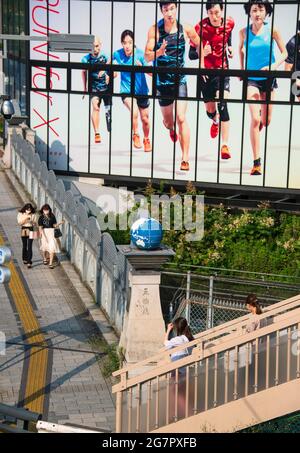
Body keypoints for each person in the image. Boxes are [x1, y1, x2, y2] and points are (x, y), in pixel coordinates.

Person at [145, 1, 203, 171]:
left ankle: (185, 159)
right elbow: (147, 57)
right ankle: (170, 128)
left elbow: (199, 43)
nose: (169, 13)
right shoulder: (155, 30)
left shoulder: (186, 28)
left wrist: (203, 63)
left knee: (182, 118)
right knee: (169, 121)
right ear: (161, 11)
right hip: (162, 82)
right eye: (165, 10)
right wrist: (159, 52)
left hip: (180, 79)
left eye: (172, 9)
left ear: (176, 9)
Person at [239, 0, 287, 176]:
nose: (257, 13)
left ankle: (258, 125)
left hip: (269, 79)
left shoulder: (273, 30)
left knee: (266, 121)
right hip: (251, 79)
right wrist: (242, 70)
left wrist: (273, 66)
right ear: (249, 13)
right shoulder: (243, 32)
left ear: (266, 12)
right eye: (254, 10)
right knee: (255, 119)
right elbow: (240, 51)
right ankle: (256, 162)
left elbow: (285, 53)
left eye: (260, 10)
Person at [189, 0, 235, 160]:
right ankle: (215, 121)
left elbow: (228, 35)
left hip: (222, 72)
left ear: (222, 11)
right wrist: (203, 52)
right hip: (205, 74)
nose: (214, 16)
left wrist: (229, 47)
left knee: (222, 104)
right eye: (211, 13)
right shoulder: (199, 28)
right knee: (210, 111)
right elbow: (191, 55)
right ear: (206, 13)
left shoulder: (230, 22)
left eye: (217, 12)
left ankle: (225, 145)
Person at [113, 30, 152, 152]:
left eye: (130, 42)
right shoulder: (118, 54)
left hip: (142, 91)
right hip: (126, 91)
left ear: (133, 42)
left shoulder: (141, 54)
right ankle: (135, 135)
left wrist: (142, 67)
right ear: (121, 43)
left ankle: (146, 139)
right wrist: (108, 72)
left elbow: (152, 73)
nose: (127, 46)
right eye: (125, 43)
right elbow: (109, 65)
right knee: (134, 110)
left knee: (145, 119)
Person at [82, 36, 112, 144]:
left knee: (108, 111)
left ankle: (109, 121)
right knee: (95, 107)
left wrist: (108, 73)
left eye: (97, 46)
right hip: (94, 88)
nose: (95, 49)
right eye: (92, 46)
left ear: (100, 45)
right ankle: (97, 133)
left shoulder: (106, 56)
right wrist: (85, 88)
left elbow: (114, 70)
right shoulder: (86, 59)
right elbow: (83, 72)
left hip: (106, 88)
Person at [164, 317, 194, 419]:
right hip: (184, 370)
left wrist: (168, 330)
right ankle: (179, 414)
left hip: (177, 370)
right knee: (180, 394)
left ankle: (187, 414)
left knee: (177, 395)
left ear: (177, 328)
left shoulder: (178, 339)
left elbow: (166, 345)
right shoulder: (189, 338)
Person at [38, 204, 64, 269]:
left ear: (49, 210)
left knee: (52, 248)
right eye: (44, 210)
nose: (46, 211)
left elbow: (54, 225)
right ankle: (44, 258)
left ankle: (50, 263)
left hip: (51, 233)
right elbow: (40, 227)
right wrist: (42, 235)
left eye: (47, 210)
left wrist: (60, 223)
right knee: (44, 248)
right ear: (42, 210)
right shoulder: (41, 217)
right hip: (44, 233)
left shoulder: (52, 216)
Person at [17, 203, 38, 269]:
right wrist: (26, 219)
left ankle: (29, 262)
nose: (28, 211)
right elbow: (20, 223)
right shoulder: (20, 214)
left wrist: (32, 221)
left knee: (30, 246)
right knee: (24, 245)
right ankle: (24, 258)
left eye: (30, 210)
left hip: (31, 229)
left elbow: (35, 223)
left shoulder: (33, 214)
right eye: (27, 210)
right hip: (24, 229)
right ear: (25, 209)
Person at [285, 20, 300, 102]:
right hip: (297, 76)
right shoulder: (292, 44)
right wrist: (296, 80)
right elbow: (287, 70)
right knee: (296, 88)